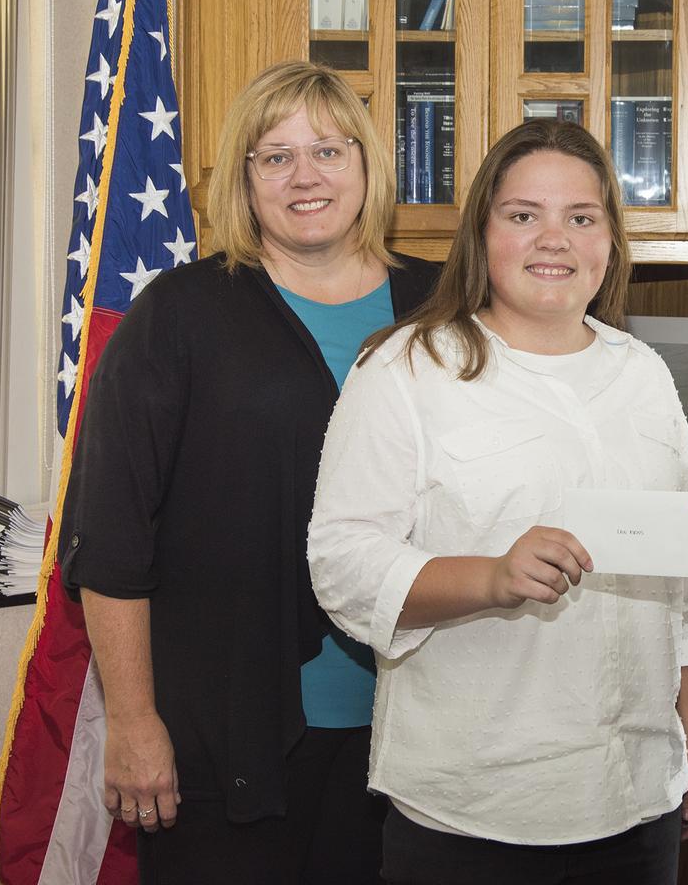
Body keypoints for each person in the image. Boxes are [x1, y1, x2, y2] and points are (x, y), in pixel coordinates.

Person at [306, 118, 688, 885]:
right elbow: (342, 566)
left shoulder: (644, 376)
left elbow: (683, 574)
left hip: (637, 803)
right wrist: (492, 576)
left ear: (609, 240)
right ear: (483, 233)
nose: (553, 239)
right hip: (472, 815)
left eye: (581, 217)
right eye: (524, 215)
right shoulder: (406, 368)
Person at [60, 60, 440, 884]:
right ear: (244, 180)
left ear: (369, 166)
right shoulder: (181, 313)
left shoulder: (443, 309)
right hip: (227, 747)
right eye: (275, 156)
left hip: (423, 743)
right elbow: (114, 537)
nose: (305, 175)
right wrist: (131, 721)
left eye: (330, 150)